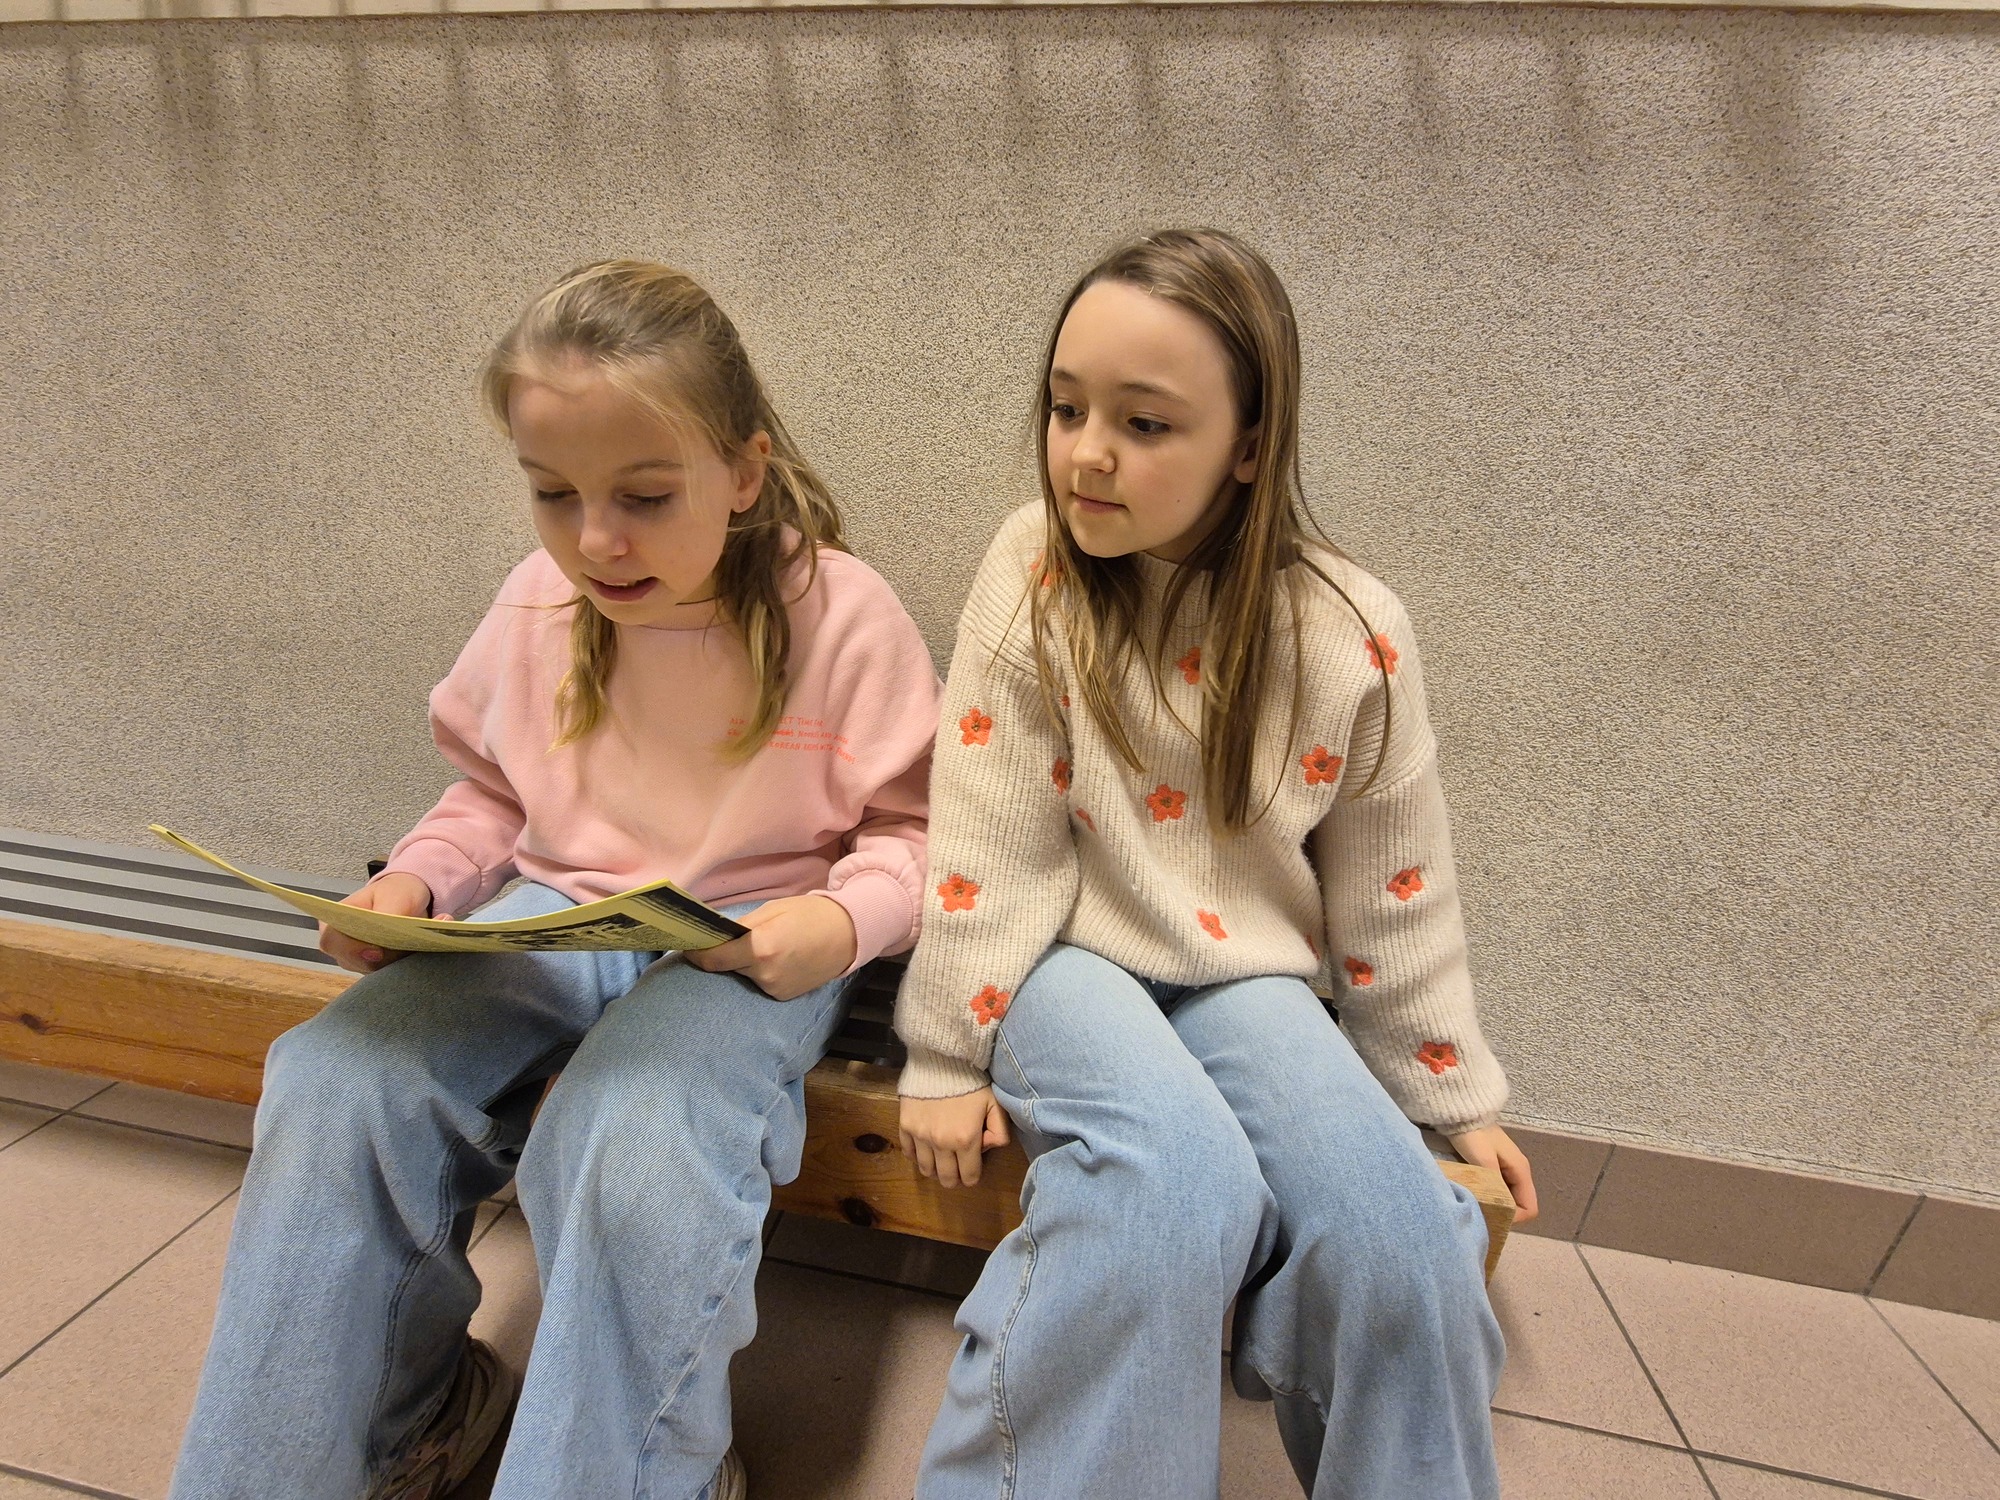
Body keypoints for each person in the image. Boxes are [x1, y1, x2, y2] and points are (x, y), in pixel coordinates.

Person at [171, 260, 941, 1500]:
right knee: (336, 1078)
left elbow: (917, 835)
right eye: (551, 494)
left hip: (747, 940)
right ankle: (406, 1427)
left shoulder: (839, 615)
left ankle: (645, 1475)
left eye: (646, 495)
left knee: (629, 1136)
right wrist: (417, 885)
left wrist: (842, 922)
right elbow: (488, 794)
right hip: (552, 914)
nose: (595, 540)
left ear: (743, 472)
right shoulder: (541, 601)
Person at [894, 228, 1538, 1500]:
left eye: (1143, 423)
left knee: (1404, 1237)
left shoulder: (1350, 631)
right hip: (1057, 956)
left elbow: (1394, 890)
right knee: (1173, 1185)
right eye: (1065, 409)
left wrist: (1447, 1090)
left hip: (1245, 975)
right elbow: (986, 834)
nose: (1086, 453)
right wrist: (947, 1052)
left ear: (1249, 445)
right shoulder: (1030, 564)